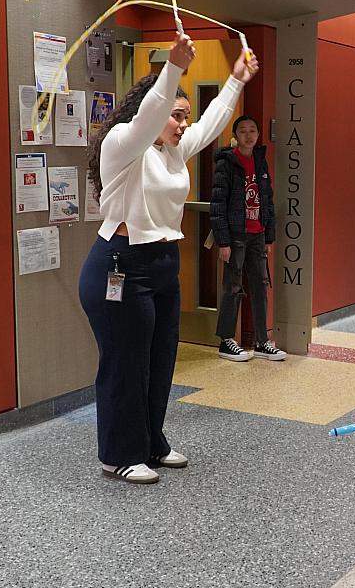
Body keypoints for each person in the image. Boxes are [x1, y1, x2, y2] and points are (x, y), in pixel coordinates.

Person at [79, 32, 259, 484]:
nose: (182, 124)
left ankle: (150, 443)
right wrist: (174, 67)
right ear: (154, 110)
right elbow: (149, 116)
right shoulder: (123, 142)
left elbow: (212, 123)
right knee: (125, 364)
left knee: (159, 361)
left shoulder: (172, 150)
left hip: (161, 265)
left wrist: (236, 80)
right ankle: (118, 454)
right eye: (176, 116)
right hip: (121, 264)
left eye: (184, 117)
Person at [210, 115, 285, 362]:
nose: (249, 135)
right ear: (235, 136)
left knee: (261, 286)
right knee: (233, 286)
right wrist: (223, 241)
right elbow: (218, 205)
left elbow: (267, 200)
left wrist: (269, 236)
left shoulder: (260, 161)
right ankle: (226, 340)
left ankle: (262, 342)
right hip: (236, 235)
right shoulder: (227, 163)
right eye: (243, 131)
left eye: (253, 130)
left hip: (258, 234)